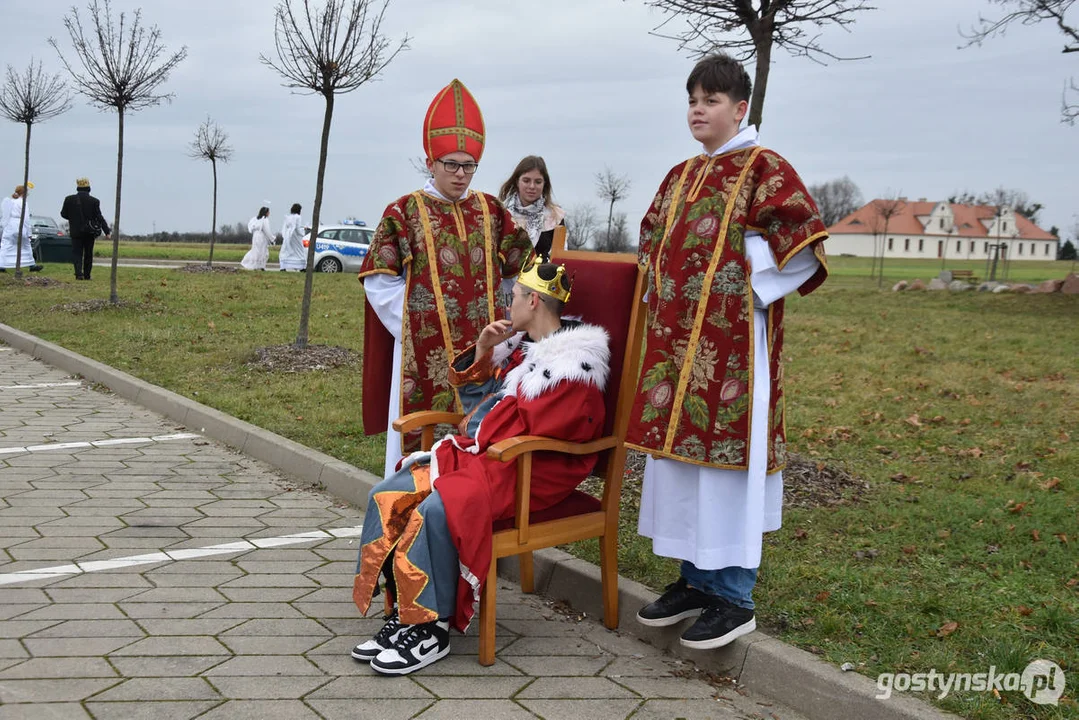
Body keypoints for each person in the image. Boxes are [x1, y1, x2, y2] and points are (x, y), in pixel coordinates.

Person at [627, 53, 829, 651]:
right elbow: (650, 244)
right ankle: (695, 582)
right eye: (692, 98)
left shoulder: (767, 170)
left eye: (710, 100)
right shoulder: (681, 175)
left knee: (728, 474)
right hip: (675, 354)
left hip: (734, 352)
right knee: (687, 473)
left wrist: (748, 270)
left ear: (740, 108)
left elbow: (805, 248)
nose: (697, 108)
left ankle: (734, 595)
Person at [351, 260, 610, 675]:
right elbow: (476, 408)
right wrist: (488, 349)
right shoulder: (524, 351)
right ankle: (403, 612)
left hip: (529, 470)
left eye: (514, 296)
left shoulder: (570, 370)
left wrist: (488, 429)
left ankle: (430, 629)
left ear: (534, 299)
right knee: (391, 491)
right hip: (490, 456)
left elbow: (541, 434)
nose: (509, 302)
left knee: (435, 508)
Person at [357, 79, 534, 477]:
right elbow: (378, 278)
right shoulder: (403, 212)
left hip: (484, 349)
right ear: (430, 163)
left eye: (468, 165)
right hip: (423, 353)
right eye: (450, 165)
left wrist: (512, 322)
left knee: (476, 445)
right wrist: (414, 323)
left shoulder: (490, 210)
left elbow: (523, 269)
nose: (460, 174)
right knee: (419, 450)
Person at [498, 155, 565, 259]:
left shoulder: (555, 216)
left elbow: (561, 258)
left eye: (538, 182)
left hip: (543, 274)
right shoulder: (501, 213)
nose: (532, 186)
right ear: (517, 181)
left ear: (544, 184)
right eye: (526, 180)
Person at [59, 177, 111, 280]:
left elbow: (63, 214)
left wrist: (73, 218)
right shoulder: (94, 201)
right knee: (88, 253)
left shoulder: (69, 199)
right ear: (89, 188)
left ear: (77, 188)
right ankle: (87, 275)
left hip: (75, 231)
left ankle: (78, 274)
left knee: (77, 253)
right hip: (89, 232)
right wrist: (107, 231)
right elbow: (99, 217)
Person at [0, 184, 42, 273]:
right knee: (26, 245)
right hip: (20, 225)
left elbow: (5, 216)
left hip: (9, 226)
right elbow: (26, 218)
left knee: (6, 245)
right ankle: (32, 265)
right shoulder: (23, 202)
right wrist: (29, 233)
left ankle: (1, 265)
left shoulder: (10, 202)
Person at [240, 206, 274, 270]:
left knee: (255, 251)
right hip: (262, 236)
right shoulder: (265, 220)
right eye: (268, 212)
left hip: (255, 236)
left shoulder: (255, 219)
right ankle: (261, 266)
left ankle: (255, 265)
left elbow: (250, 227)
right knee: (263, 251)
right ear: (266, 213)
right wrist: (272, 239)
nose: (269, 213)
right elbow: (267, 230)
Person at [278, 203, 306, 272]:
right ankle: (301, 267)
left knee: (286, 250)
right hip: (295, 236)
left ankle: (283, 266)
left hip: (288, 235)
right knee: (299, 250)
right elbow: (298, 229)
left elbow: (285, 227)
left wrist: (285, 235)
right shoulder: (298, 217)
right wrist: (303, 232)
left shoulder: (288, 217)